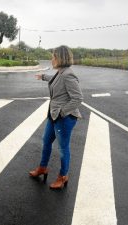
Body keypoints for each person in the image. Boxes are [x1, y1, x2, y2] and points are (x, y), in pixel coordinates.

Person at [29, 45, 83, 189]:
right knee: (46, 141)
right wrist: (43, 77)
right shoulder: (61, 72)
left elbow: (77, 98)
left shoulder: (68, 74)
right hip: (54, 116)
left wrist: (62, 112)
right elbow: (55, 80)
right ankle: (43, 168)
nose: (51, 59)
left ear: (60, 58)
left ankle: (63, 176)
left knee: (63, 148)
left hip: (64, 118)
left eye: (53, 57)